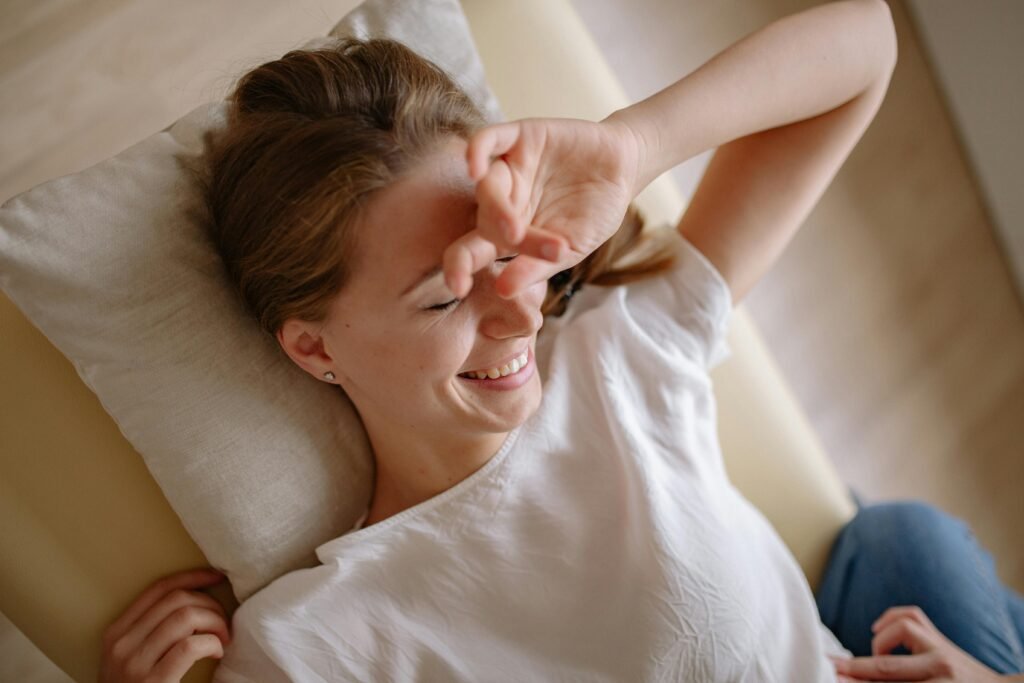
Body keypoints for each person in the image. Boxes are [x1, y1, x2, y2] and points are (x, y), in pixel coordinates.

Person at [99, 1, 1024, 681]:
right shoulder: (316, 644)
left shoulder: (615, 352)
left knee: (901, 540)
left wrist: (633, 146)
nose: (519, 316)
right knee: (898, 540)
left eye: (505, 257)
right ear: (313, 348)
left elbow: (867, 46)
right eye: (442, 300)